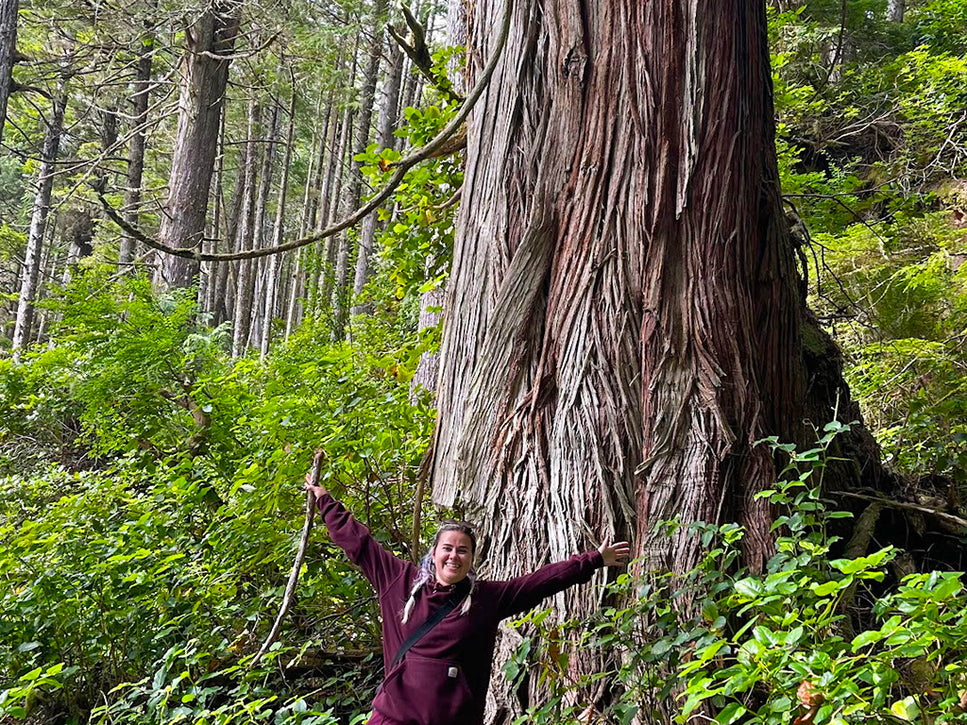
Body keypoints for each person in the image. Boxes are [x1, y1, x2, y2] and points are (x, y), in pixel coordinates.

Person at [305, 475, 630, 725]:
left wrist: (593, 560)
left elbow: (539, 583)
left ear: (471, 558)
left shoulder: (487, 599)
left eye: (463, 550)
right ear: (434, 553)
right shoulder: (398, 580)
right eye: (447, 548)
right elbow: (359, 543)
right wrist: (326, 502)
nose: (453, 556)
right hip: (394, 718)